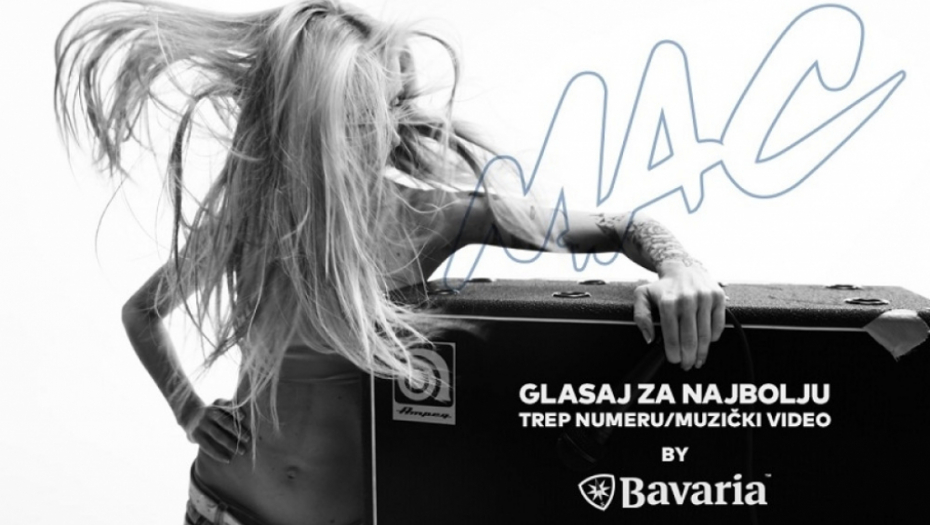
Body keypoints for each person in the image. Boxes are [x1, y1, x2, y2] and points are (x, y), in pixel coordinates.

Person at [54, 1, 726, 524]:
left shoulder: (431, 217)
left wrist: (681, 265)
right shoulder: (251, 218)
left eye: (378, 112)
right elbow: (141, 311)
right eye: (347, 117)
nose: (373, 130)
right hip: (222, 508)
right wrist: (188, 411)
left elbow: (621, 226)